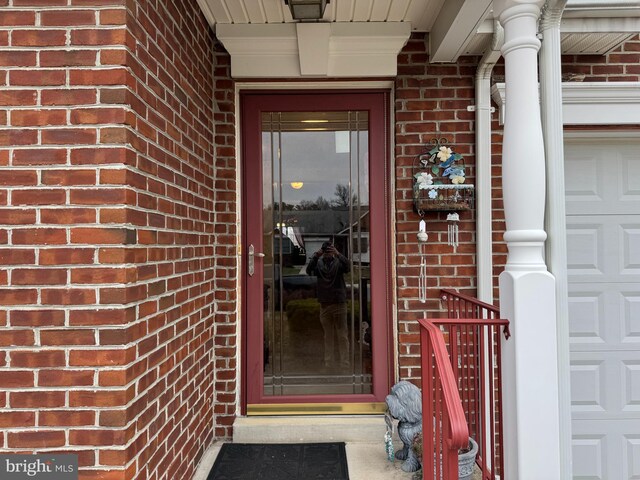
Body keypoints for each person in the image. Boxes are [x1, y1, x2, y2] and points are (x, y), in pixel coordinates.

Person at [306, 241, 350, 368]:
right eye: (326, 251)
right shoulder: (319, 265)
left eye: (330, 251)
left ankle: (344, 363)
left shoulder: (339, 264)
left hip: (339, 303)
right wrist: (316, 255)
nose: (327, 254)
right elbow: (309, 270)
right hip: (325, 304)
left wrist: (338, 254)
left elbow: (348, 267)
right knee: (328, 337)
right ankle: (329, 362)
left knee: (342, 336)